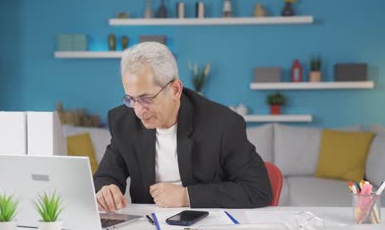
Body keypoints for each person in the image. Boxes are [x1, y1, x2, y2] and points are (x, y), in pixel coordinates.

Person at [94, 42, 272, 211]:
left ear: (175, 90)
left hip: (207, 226)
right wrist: (105, 190)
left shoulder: (223, 124)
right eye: (131, 99)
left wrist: (186, 196)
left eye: (146, 99)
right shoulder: (123, 121)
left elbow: (258, 190)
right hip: (147, 229)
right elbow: (105, 176)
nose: (139, 111)